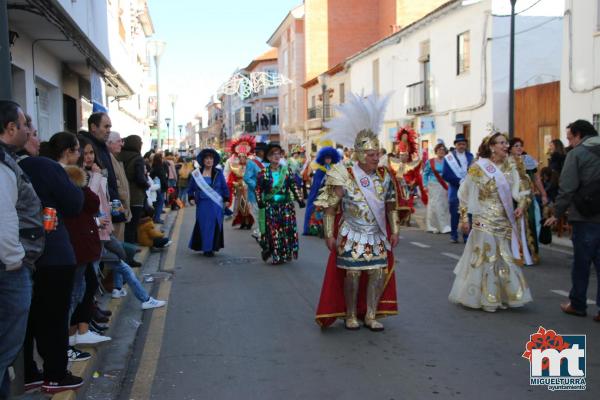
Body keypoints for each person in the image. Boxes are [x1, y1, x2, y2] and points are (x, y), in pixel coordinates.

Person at [314, 93, 400, 331]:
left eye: (378, 154)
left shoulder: (385, 177)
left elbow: (391, 205)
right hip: (351, 232)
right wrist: (329, 235)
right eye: (371, 155)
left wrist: (396, 230)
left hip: (376, 234)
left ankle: (371, 314)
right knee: (352, 274)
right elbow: (330, 208)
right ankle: (350, 314)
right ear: (360, 155)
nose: (376, 158)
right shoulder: (343, 174)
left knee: (376, 272)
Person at [19, 131, 85, 393]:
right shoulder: (43, 166)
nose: (37, 138)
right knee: (55, 318)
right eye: (32, 132)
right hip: (52, 253)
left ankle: (28, 372)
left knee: (28, 317)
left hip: (21, 255)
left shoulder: (12, 168)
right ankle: (55, 374)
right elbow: (74, 202)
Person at [448, 132, 533, 312]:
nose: (506, 146)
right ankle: (485, 298)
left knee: (504, 257)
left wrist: (522, 206)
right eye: (501, 143)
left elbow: (524, 192)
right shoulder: (479, 168)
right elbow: (463, 194)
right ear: (492, 146)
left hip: (503, 219)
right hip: (483, 218)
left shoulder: (512, 166)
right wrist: (464, 219)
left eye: (506, 143)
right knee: (486, 257)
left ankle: (501, 295)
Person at [0, 101, 44, 398]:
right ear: (11, 128)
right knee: (6, 348)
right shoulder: (2, 167)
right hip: (9, 270)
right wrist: (15, 261)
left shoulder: (8, 161)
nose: (29, 131)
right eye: (25, 124)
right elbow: (4, 219)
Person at [544, 120, 600, 321]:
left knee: (582, 263)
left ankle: (577, 304)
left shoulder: (576, 155)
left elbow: (567, 188)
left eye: (569, 138)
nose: (569, 142)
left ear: (578, 135)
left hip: (585, 216)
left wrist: (556, 214)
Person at [255, 143, 305, 264]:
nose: (276, 156)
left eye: (278, 153)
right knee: (274, 231)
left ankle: (286, 253)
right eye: (273, 154)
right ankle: (277, 255)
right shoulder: (263, 173)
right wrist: (260, 202)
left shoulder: (286, 171)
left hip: (286, 206)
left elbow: (294, 186)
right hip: (271, 206)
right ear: (268, 157)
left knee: (286, 231)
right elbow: (258, 190)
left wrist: (300, 199)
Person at [509, 138, 547, 265]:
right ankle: (518, 253)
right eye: (516, 146)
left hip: (528, 198)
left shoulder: (528, 160)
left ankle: (531, 253)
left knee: (531, 223)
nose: (519, 148)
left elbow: (536, 179)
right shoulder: (506, 162)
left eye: (520, 145)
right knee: (515, 227)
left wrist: (543, 194)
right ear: (510, 148)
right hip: (512, 199)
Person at [188, 149, 230, 257]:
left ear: (214, 160)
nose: (209, 160)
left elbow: (224, 187)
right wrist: (191, 197)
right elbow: (191, 188)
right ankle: (206, 248)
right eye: (206, 158)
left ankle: (211, 248)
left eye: (211, 158)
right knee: (203, 225)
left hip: (216, 204)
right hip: (202, 204)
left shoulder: (218, 173)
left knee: (214, 225)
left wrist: (226, 199)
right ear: (202, 160)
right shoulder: (196, 173)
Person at [443, 133, 474, 243]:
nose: (461, 146)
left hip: (468, 190)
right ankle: (454, 235)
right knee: (455, 213)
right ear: (455, 145)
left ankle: (466, 236)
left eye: (463, 144)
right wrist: (459, 181)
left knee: (468, 213)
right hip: (455, 189)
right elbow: (446, 174)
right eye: (459, 144)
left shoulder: (471, 156)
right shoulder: (449, 158)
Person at [80, 113, 119, 201]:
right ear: (93, 127)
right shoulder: (88, 145)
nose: (109, 130)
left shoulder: (102, 146)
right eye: (106, 127)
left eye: (110, 127)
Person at [303, 146, 340, 236]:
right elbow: (316, 184)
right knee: (317, 212)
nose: (328, 160)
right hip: (320, 193)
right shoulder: (320, 170)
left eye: (329, 158)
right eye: (326, 158)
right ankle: (313, 229)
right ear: (323, 158)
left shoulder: (334, 169)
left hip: (330, 193)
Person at [119, 135, 149, 244]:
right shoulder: (138, 158)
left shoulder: (119, 156)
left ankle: (125, 250)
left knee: (123, 225)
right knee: (133, 226)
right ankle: (130, 254)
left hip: (121, 196)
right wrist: (147, 185)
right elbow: (140, 178)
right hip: (136, 197)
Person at [106, 132, 131, 241]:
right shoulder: (109, 158)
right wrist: (123, 197)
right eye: (118, 141)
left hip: (120, 205)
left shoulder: (114, 158)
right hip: (117, 205)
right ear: (109, 143)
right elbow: (114, 186)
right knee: (117, 237)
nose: (121, 144)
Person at [227, 136, 255, 229]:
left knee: (247, 206)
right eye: (240, 157)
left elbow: (254, 176)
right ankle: (243, 222)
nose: (242, 158)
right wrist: (234, 184)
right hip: (239, 189)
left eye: (244, 157)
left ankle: (248, 222)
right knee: (240, 206)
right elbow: (231, 178)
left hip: (248, 189)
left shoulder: (250, 166)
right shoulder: (235, 167)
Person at [423, 143, 451, 234]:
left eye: (443, 150)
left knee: (445, 206)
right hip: (433, 185)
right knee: (434, 205)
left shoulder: (448, 161)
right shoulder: (430, 162)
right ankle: (434, 226)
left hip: (445, 185)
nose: (441, 151)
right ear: (436, 151)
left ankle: (445, 225)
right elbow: (425, 174)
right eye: (439, 149)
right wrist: (425, 185)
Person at [244, 142, 266, 239]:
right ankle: (260, 232)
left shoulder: (268, 162)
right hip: (255, 194)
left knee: (265, 213)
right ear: (261, 152)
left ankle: (261, 232)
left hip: (268, 194)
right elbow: (247, 178)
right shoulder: (251, 163)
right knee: (257, 214)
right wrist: (258, 187)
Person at [150, 152, 168, 224]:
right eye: (162, 158)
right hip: (159, 187)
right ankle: (157, 218)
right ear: (160, 159)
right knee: (160, 202)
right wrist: (166, 186)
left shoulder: (153, 167)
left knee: (157, 202)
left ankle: (155, 217)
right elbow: (163, 178)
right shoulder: (160, 167)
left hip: (155, 187)